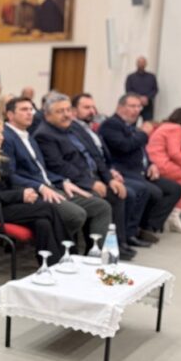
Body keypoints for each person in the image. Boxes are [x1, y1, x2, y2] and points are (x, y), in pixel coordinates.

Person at [1, 97, 113, 254]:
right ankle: (59, 252)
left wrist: (63, 181)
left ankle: (95, 256)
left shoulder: (27, 136)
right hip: (30, 192)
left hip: (52, 186)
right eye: (24, 109)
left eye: (31, 109)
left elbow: (42, 170)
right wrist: (40, 187)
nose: (30, 113)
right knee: (76, 215)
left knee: (101, 207)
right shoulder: (5, 137)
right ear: (10, 115)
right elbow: (9, 175)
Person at [34, 92, 129, 257]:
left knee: (117, 192)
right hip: (71, 181)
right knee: (101, 202)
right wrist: (90, 183)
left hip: (91, 176)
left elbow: (95, 154)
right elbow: (59, 166)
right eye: (60, 111)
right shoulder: (44, 134)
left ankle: (116, 245)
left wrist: (109, 179)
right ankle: (96, 254)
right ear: (47, 115)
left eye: (68, 110)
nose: (66, 114)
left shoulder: (75, 126)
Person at [0, 115, 67, 263]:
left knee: (42, 223)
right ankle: (69, 255)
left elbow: (10, 184)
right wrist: (20, 195)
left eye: (1, 133)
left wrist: (26, 193)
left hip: (5, 205)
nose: (1, 137)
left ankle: (51, 264)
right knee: (47, 208)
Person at [72, 93, 154, 248]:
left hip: (108, 171)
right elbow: (123, 147)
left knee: (142, 189)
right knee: (127, 193)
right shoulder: (81, 128)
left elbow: (100, 155)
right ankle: (117, 242)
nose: (92, 111)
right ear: (74, 111)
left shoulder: (88, 128)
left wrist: (110, 171)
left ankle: (128, 236)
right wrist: (100, 179)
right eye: (86, 107)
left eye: (93, 107)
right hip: (90, 176)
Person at [99, 93, 181, 239]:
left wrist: (151, 164)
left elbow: (141, 150)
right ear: (120, 107)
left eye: (139, 107)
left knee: (174, 189)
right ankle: (134, 230)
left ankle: (148, 226)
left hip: (142, 171)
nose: (137, 110)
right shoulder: (111, 124)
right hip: (124, 171)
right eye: (132, 106)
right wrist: (144, 133)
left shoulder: (131, 125)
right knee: (153, 192)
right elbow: (125, 146)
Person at [125, 56, 158, 121]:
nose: (141, 64)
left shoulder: (151, 77)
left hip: (147, 105)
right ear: (136, 64)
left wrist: (147, 97)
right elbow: (128, 90)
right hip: (133, 105)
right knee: (131, 123)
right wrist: (139, 98)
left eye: (143, 62)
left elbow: (155, 89)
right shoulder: (131, 77)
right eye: (139, 62)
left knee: (148, 123)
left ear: (146, 64)